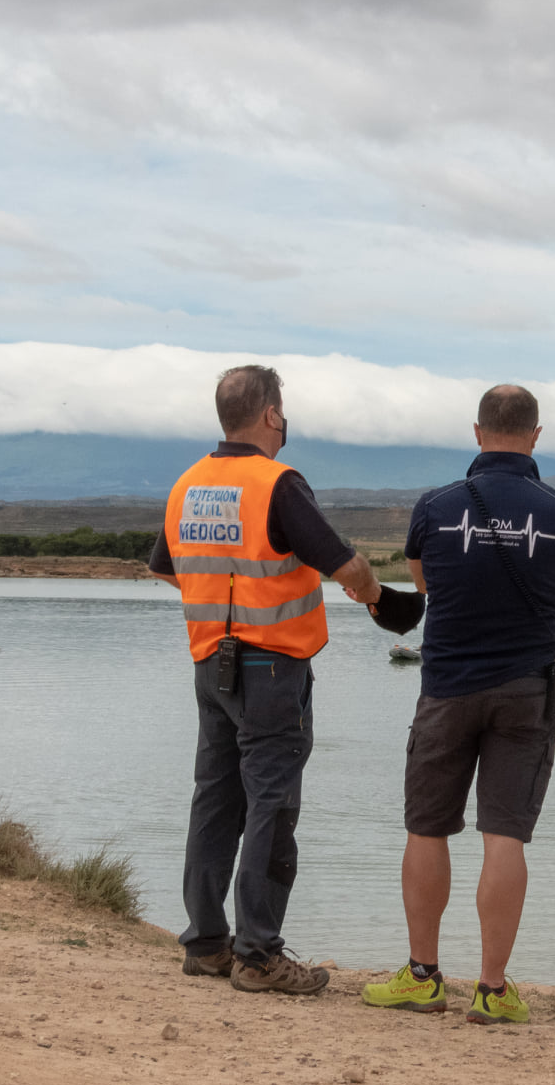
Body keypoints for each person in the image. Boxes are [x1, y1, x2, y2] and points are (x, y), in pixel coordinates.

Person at [149, 364, 390, 996]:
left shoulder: (187, 484)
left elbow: (166, 567)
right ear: (271, 416)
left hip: (210, 663)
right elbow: (344, 564)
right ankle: (258, 954)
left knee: (214, 801)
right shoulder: (279, 483)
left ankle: (206, 944)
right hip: (275, 667)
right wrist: (378, 599)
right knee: (272, 806)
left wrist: (224, 601)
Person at [361, 384, 555, 1025]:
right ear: (536, 435)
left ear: (477, 430)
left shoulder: (435, 507)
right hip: (526, 692)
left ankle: (424, 976)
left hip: (446, 687)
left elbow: (426, 585)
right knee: (505, 834)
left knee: (427, 826)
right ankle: (491, 989)